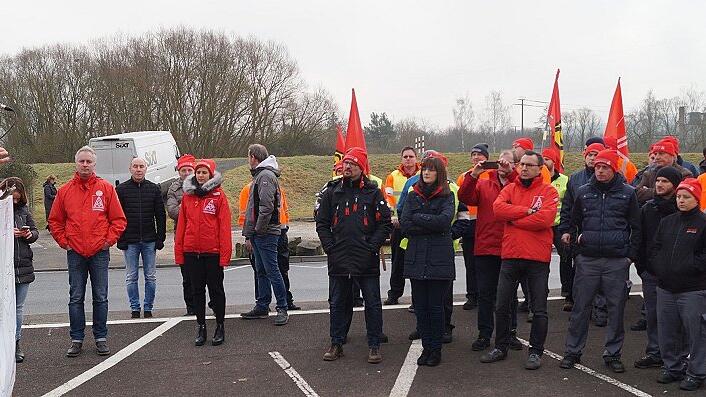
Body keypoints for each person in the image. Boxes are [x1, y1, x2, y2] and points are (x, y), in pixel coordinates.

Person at [560, 149, 641, 373]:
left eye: (605, 167)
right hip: (588, 260)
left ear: (614, 169)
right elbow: (573, 222)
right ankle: (572, 352)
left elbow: (637, 227)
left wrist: (629, 257)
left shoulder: (628, 193)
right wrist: (577, 252)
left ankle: (613, 354)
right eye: (597, 167)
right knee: (580, 308)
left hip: (617, 261)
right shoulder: (583, 192)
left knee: (616, 310)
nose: (600, 170)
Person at [480, 151, 558, 370]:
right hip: (511, 255)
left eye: (529, 165)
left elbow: (545, 219)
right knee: (502, 304)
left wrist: (514, 220)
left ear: (538, 169)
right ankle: (500, 346)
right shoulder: (510, 189)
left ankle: (535, 351)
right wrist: (526, 211)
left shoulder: (548, 191)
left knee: (539, 308)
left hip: (537, 257)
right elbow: (498, 209)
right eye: (522, 164)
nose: (523, 168)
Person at [48, 146, 127, 358]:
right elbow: (55, 221)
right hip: (75, 253)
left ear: (94, 164)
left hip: (99, 252)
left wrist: (107, 242)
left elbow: (118, 220)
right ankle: (76, 338)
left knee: (100, 297)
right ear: (76, 163)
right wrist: (65, 242)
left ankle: (101, 337)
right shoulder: (64, 191)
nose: (85, 165)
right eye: (81, 161)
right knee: (76, 297)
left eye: (88, 162)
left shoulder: (106, 189)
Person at [316, 147, 392, 364]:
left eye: (353, 164)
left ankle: (374, 345)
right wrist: (330, 246)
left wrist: (371, 246)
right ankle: (336, 343)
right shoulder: (332, 192)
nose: (347, 167)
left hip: (365, 258)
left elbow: (385, 223)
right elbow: (321, 223)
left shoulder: (372, 192)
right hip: (339, 257)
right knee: (338, 302)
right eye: (346, 163)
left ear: (361, 168)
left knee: (373, 302)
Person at [458, 150, 522, 352]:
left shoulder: (517, 185)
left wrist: (511, 173)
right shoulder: (484, 184)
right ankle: (484, 334)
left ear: (515, 165)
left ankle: (510, 333)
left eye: (508, 163)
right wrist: (474, 174)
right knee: (485, 294)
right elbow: (465, 196)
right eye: (500, 163)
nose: (503, 166)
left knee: (509, 294)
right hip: (486, 247)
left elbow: (522, 193)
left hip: (510, 246)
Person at [651, 178, 706, 391]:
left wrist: (690, 267)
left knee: (697, 333)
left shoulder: (703, 224)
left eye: (686, 197)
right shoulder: (668, 222)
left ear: (696, 198)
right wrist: (659, 267)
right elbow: (656, 248)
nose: (681, 201)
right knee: (667, 331)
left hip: (693, 289)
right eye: (679, 197)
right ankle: (673, 367)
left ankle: (697, 372)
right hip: (666, 287)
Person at [400, 155, 455, 366]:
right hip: (416, 257)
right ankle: (426, 347)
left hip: (439, 258)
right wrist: (425, 222)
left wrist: (418, 218)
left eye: (431, 170)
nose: (426, 173)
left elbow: (443, 222)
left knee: (435, 306)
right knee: (421, 307)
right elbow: (405, 223)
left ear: (439, 173)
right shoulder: (413, 196)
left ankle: (436, 349)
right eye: (424, 169)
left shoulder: (447, 196)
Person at [175, 158, 231, 346]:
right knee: (196, 291)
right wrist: (179, 252)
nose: (200, 175)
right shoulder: (188, 197)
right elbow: (182, 226)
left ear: (210, 175)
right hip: (192, 251)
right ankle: (201, 326)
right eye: (198, 172)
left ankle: (220, 326)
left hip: (212, 252)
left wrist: (225, 255)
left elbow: (224, 228)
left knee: (216, 291)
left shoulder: (219, 196)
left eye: (204, 173)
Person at [633, 166, 681, 370]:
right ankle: (655, 352)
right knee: (653, 315)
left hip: (679, 276)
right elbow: (639, 239)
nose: (660, 185)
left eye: (665, 182)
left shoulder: (682, 209)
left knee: (677, 318)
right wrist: (642, 267)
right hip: (651, 273)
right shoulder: (648, 209)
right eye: (658, 181)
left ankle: (678, 356)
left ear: (675, 185)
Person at [240, 144, 289, 326]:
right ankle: (262, 305)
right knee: (261, 270)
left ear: (253, 157)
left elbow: (266, 207)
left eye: (248, 156)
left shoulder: (265, 176)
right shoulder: (262, 175)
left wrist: (257, 230)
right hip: (260, 233)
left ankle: (282, 307)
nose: (248, 160)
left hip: (266, 233)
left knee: (272, 270)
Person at [558, 141, 606, 314]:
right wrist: (565, 230)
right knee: (580, 272)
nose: (592, 159)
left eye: (596, 155)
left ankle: (600, 308)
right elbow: (567, 207)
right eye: (590, 155)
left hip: (603, 234)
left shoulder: (613, 177)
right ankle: (580, 306)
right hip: (580, 233)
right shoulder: (575, 179)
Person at [116, 157, 167, 318]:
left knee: (150, 276)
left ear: (146, 169)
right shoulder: (121, 190)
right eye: (135, 166)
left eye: (141, 166)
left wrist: (161, 237)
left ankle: (148, 307)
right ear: (130, 169)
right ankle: (135, 308)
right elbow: (117, 216)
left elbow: (160, 215)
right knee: (131, 276)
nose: (138, 169)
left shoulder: (153, 189)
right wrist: (120, 238)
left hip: (149, 240)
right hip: (129, 241)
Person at [238, 181, 300, 310]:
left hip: (280, 231)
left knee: (281, 268)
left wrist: (286, 225)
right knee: (261, 270)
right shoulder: (248, 189)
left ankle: (285, 300)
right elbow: (245, 215)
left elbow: (284, 209)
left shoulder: (278, 188)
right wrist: (248, 237)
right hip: (261, 233)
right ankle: (263, 302)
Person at [1, 178, 38, 363]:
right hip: (3, 266)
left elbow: (35, 231)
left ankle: (16, 343)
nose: (15, 203)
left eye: (17, 199)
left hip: (22, 265)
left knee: (17, 308)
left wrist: (28, 234)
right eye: (11, 199)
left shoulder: (24, 211)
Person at [382, 146, 420, 305]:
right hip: (398, 225)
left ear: (416, 158)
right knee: (398, 262)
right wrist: (394, 219)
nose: (408, 159)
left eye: (411, 156)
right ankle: (395, 293)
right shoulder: (392, 176)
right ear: (401, 159)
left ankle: (417, 298)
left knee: (417, 262)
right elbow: (388, 200)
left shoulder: (423, 174)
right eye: (405, 156)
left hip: (416, 225)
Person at [456, 143, 490, 310]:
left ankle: (487, 295)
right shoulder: (465, 176)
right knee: (470, 264)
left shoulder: (493, 174)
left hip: (487, 224)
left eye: (480, 154)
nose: (476, 157)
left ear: (486, 157)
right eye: (474, 154)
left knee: (486, 264)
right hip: (469, 225)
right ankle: (472, 296)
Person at [167, 154, 197, 315]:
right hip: (183, 236)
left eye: (189, 169)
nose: (186, 173)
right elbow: (172, 211)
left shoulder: (204, 185)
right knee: (187, 277)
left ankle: (212, 305)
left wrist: (184, 206)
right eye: (183, 170)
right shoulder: (174, 188)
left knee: (207, 276)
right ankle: (191, 308)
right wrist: (190, 204)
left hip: (202, 236)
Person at [542, 149, 570, 306]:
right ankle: (540, 293)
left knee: (566, 259)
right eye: (543, 159)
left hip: (559, 226)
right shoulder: (539, 179)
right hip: (543, 226)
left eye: (548, 159)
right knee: (541, 261)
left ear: (554, 162)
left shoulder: (565, 180)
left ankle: (567, 293)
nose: (545, 162)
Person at [635, 140, 692, 205]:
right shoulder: (648, 174)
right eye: (656, 154)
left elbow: (683, 195)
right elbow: (637, 194)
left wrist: (648, 191)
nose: (657, 157)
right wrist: (662, 190)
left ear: (672, 156)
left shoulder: (684, 174)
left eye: (661, 153)